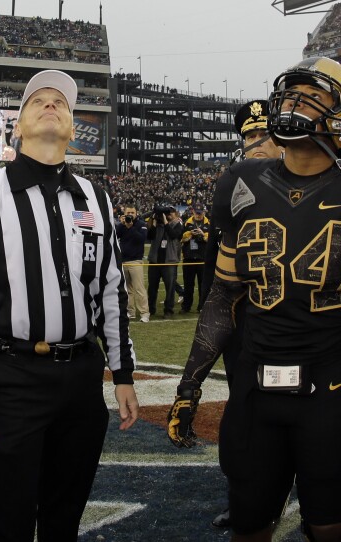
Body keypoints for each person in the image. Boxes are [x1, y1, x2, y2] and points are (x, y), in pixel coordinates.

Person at [0, 69, 139, 541]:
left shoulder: (96, 197)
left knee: (63, 518)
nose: (51, 105)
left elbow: (111, 289)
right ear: (18, 125)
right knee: (5, 522)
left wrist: (123, 375)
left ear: (72, 128)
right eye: (38, 101)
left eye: (61, 103)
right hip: (9, 377)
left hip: (81, 377)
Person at [168, 57, 341, 541]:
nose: (294, 104)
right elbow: (224, 297)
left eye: (314, 95)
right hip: (255, 386)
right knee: (248, 524)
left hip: (330, 387)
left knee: (328, 526)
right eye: (291, 93)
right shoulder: (239, 183)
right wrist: (189, 384)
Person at [168, 99, 284, 530]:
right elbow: (221, 297)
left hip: (316, 343)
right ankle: (245, 500)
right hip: (248, 338)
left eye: (265, 136)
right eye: (249, 137)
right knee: (244, 438)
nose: (256, 145)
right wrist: (190, 381)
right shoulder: (233, 196)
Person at [146, 206, 183, 317]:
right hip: (155, 260)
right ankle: (151, 309)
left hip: (169, 261)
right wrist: (154, 222)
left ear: (176, 214)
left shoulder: (178, 224)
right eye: (167, 213)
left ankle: (168, 310)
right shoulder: (157, 224)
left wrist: (166, 222)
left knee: (170, 287)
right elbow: (149, 236)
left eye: (170, 213)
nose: (168, 215)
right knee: (152, 287)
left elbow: (173, 235)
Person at [117, 204, 150, 322]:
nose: (130, 215)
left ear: (136, 214)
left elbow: (141, 239)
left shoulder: (141, 224)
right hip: (123, 260)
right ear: (124, 214)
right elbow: (114, 235)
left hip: (135, 260)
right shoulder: (122, 225)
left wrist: (131, 227)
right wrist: (121, 224)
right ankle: (130, 311)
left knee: (139, 289)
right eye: (128, 213)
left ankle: (144, 313)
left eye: (132, 213)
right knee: (127, 289)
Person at [179, 203, 210, 313]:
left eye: (200, 213)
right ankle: (186, 307)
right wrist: (190, 234)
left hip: (203, 259)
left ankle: (202, 307)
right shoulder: (187, 223)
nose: (198, 215)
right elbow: (180, 238)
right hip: (189, 258)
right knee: (188, 285)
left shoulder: (209, 223)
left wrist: (203, 234)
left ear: (204, 212)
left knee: (203, 285)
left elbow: (212, 240)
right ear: (192, 212)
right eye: (196, 213)